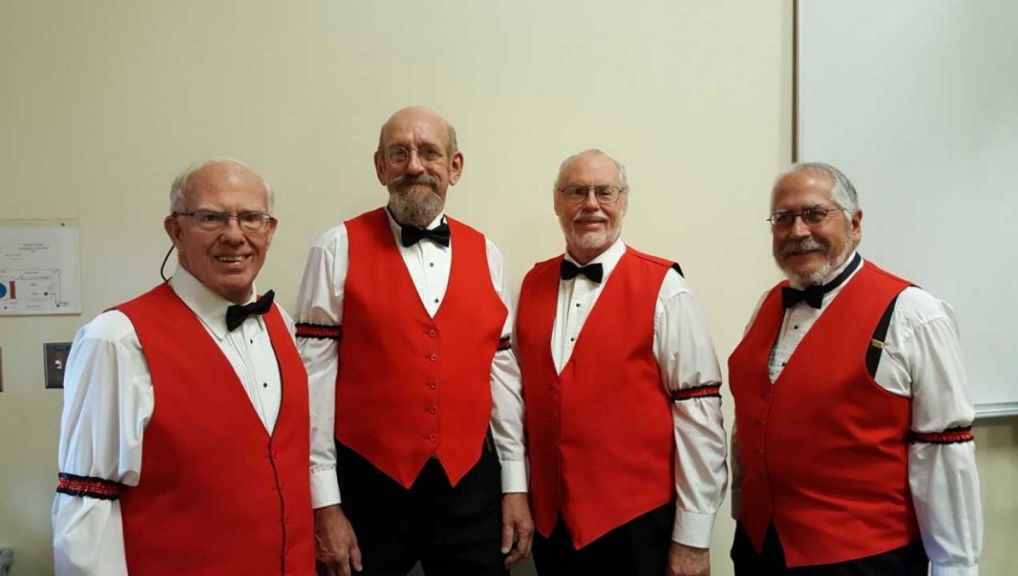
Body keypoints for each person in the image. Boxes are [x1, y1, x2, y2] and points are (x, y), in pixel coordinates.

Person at [295, 105, 532, 576]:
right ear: (380, 166)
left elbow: (502, 375)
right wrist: (324, 504)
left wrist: (515, 484)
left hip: (470, 486)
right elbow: (312, 382)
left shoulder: (488, 253)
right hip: (366, 488)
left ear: (455, 166)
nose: (415, 166)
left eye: (429, 152)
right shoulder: (334, 247)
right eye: (399, 153)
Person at [52, 159, 314, 575]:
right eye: (211, 218)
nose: (234, 235)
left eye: (251, 218)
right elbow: (86, 509)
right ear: (175, 230)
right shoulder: (116, 340)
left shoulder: (279, 321)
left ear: (270, 230)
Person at [728, 162, 983, 575]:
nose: (797, 232)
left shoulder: (914, 315)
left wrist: (956, 568)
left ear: (855, 223)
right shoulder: (766, 305)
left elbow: (944, 454)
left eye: (814, 214)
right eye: (783, 218)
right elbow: (751, 422)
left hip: (864, 559)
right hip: (760, 550)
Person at [513, 149, 728, 576]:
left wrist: (693, 538)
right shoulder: (532, 283)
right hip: (552, 530)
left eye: (604, 192)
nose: (590, 203)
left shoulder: (666, 287)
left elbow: (700, 415)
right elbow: (522, 403)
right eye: (576, 192)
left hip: (637, 526)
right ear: (557, 202)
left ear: (624, 201)